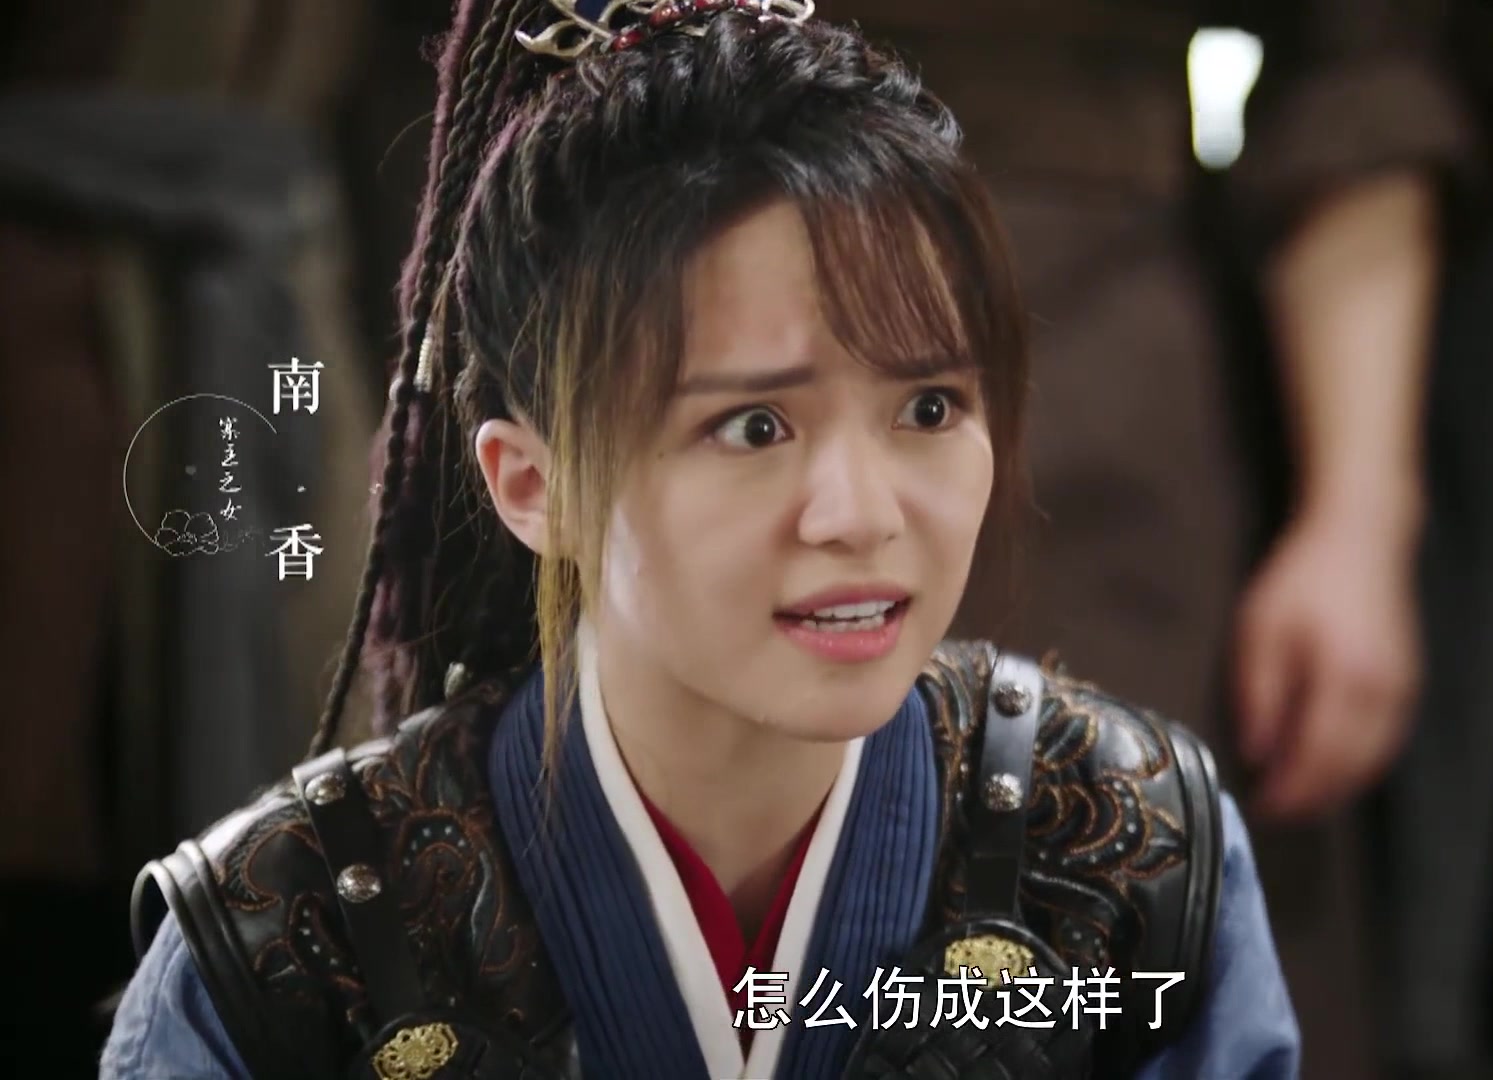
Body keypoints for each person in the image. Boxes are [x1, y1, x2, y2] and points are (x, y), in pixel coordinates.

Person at [97, 1, 1300, 1077]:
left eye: (930, 409)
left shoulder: (1131, 854)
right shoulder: (290, 940)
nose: (862, 513)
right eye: (755, 425)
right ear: (534, 485)